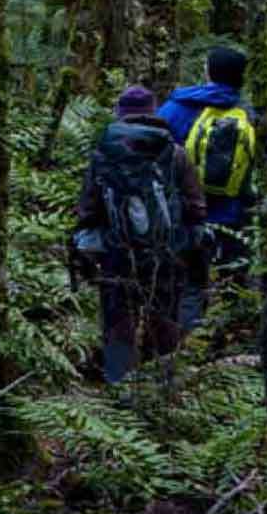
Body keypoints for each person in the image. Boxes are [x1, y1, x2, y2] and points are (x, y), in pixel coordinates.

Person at [76, 84, 207, 386]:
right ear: (153, 112)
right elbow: (196, 207)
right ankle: (163, 384)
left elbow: (88, 208)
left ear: (120, 114)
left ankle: (118, 386)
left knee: (118, 319)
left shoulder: (104, 153)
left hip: (116, 251)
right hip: (167, 251)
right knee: (164, 317)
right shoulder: (174, 153)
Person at [155, 46, 267, 326]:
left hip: (185, 213)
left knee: (189, 282)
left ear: (208, 72)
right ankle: (226, 338)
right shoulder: (252, 116)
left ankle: (181, 348)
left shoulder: (177, 108)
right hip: (235, 215)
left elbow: (151, 154)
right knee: (234, 282)